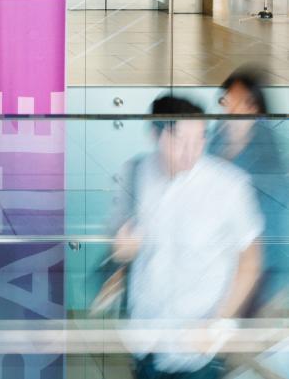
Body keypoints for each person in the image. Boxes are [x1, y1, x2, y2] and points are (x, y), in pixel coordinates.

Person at [110, 96, 263, 379]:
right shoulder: (134, 173)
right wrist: (122, 251)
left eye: (200, 139)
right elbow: (122, 248)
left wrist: (218, 324)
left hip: (197, 349)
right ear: (155, 134)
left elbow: (250, 262)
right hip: (145, 342)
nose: (191, 151)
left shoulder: (229, 186)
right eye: (180, 140)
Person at [210, 67, 289, 315]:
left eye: (236, 101)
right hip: (215, 261)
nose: (228, 107)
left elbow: (274, 230)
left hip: (255, 272)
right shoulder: (216, 138)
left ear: (254, 107)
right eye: (226, 100)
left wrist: (273, 289)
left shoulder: (269, 159)